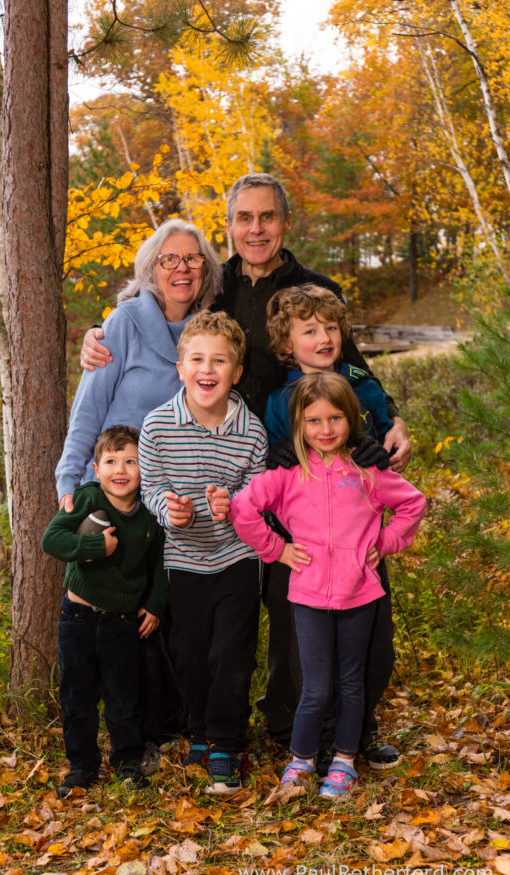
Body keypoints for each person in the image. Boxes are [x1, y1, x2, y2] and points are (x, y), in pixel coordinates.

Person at [78, 173, 411, 759]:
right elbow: (160, 318)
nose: (255, 229)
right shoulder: (214, 290)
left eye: (267, 217)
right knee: (243, 611)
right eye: (243, 219)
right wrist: (98, 335)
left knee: (332, 600)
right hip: (230, 471)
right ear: (229, 226)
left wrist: (392, 422)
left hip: (313, 470)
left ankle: (339, 729)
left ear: (284, 222)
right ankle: (237, 726)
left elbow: (354, 371)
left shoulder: (315, 291)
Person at [55, 219, 221, 748]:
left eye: (191, 259)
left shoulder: (209, 329)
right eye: (169, 259)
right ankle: (131, 732)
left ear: (205, 269)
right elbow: (89, 409)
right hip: (121, 493)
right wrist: (70, 478)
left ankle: (177, 721)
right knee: (124, 613)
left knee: (170, 606)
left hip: (182, 494)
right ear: (150, 268)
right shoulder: (123, 323)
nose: (181, 268)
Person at [228, 373, 425, 798]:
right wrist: (276, 549)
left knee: (351, 683)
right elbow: (243, 508)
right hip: (309, 595)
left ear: (350, 420)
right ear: (299, 424)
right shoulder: (288, 474)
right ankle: (300, 761)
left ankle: (344, 761)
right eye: (313, 421)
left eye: (335, 418)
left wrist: (386, 541)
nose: (325, 429)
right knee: (316, 687)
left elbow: (412, 502)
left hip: (360, 593)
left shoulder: (367, 471)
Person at [138, 311, 268, 796]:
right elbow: (152, 489)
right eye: (197, 359)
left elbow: (257, 493)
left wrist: (233, 506)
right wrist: (169, 511)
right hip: (183, 562)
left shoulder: (251, 432)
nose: (206, 369)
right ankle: (197, 729)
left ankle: (225, 744)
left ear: (236, 372)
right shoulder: (156, 427)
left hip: (236, 559)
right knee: (189, 655)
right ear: (180, 367)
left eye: (219, 360)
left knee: (231, 655)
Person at [41, 426, 168, 796]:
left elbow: (159, 566)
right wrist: (96, 546)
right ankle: (81, 766)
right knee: (77, 696)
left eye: (131, 460)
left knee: (123, 697)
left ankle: (128, 762)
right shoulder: (87, 499)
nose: (121, 469)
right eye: (111, 461)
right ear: (96, 469)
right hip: (78, 618)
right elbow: (53, 539)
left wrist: (155, 604)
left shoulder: (148, 515)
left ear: (145, 467)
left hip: (123, 621)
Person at [264, 284, 392, 444]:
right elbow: (274, 459)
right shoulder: (280, 402)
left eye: (331, 328)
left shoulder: (366, 388)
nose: (325, 338)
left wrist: (379, 455)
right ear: (286, 344)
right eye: (310, 331)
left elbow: (390, 448)